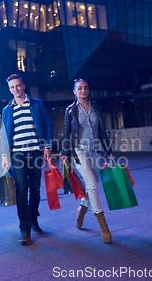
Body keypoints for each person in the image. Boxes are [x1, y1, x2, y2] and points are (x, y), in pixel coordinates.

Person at [1, 74, 52, 244]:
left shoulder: (36, 103)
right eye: (12, 87)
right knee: (21, 188)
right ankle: (24, 226)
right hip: (17, 154)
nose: (15, 89)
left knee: (35, 189)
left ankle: (33, 219)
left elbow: (48, 124)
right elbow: (4, 134)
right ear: (9, 89)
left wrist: (47, 146)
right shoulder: (7, 109)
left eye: (18, 85)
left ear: (23, 86)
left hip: (35, 153)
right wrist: (4, 155)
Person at [60, 79, 113, 244]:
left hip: (96, 151)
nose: (83, 90)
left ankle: (82, 209)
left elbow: (102, 130)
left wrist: (108, 151)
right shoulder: (71, 110)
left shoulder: (96, 107)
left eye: (86, 88)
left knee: (93, 185)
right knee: (91, 183)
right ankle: (102, 223)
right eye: (79, 88)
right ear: (74, 92)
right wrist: (64, 153)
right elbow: (67, 132)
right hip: (79, 151)